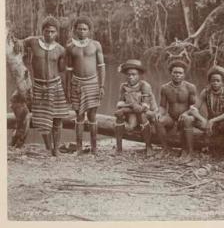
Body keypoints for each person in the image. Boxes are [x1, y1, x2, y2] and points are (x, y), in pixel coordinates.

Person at [14, 16, 70, 156]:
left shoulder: (61, 50)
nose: (49, 34)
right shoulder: (33, 42)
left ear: (56, 33)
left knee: (57, 118)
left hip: (55, 86)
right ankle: (48, 148)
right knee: (43, 120)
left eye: (52, 32)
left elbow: (62, 69)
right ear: (42, 31)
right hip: (39, 86)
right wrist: (18, 43)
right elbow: (20, 42)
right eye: (47, 31)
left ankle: (56, 149)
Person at [65, 16, 105, 155]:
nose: (82, 31)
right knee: (79, 117)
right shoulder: (70, 47)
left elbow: (101, 67)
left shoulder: (96, 45)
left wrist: (101, 86)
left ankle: (94, 148)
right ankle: (79, 148)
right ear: (75, 30)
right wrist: (68, 89)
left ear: (89, 30)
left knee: (92, 117)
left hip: (93, 83)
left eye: (85, 29)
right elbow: (68, 70)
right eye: (79, 29)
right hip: (77, 84)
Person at [188, 66, 224, 166]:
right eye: (213, 80)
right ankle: (188, 151)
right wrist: (203, 119)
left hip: (222, 123)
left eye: (218, 81)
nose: (215, 83)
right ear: (209, 81)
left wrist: (213, 120)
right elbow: (193, 109)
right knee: (189, 119)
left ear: (223, 82)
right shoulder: (205, 92)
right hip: (209, 124)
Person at [155, 59, 199, 162]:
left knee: (186, 119)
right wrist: (159, 113)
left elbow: (195, 105)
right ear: (171, 73)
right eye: (175, 72)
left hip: (186, 116)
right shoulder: (165, 88)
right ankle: (165, 149)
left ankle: (188, 151)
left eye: (180, 73)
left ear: (184, 75)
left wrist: (186, 113)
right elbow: (162, 106)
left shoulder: (190, 87)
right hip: (172, 117)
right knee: (158, 121)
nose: (177, 75)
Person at [114, 59, 157, 157]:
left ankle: (148, 147)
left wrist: (127, 107)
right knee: (119, 115)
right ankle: (119, 148)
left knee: (141, 115)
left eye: (134, 74)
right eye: (129, 75)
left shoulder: (145, 86)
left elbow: (144, 107)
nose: (131, 77)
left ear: (139, 75)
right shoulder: (123, 86)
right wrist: (126, 108)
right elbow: (120, 104)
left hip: (147, 112)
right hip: (133, 112)